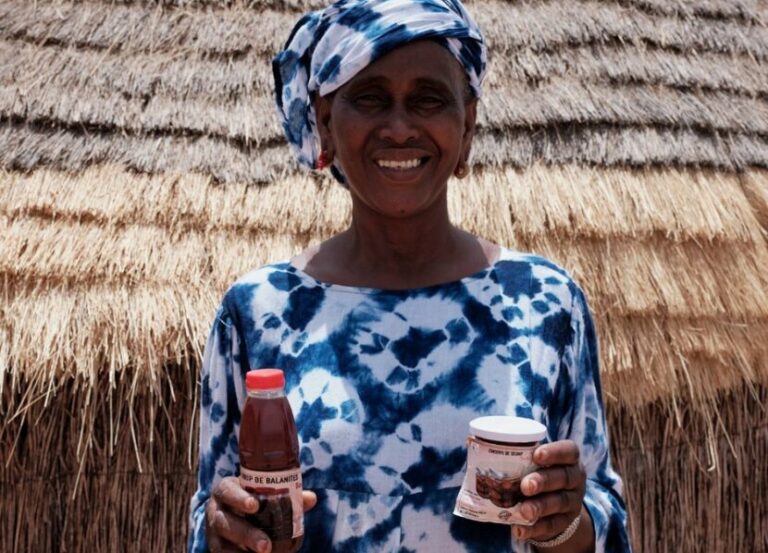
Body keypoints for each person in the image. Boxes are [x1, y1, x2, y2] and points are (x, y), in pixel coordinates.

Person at [188, 0, 631, 551]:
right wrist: (227, 529)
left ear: (466, 128)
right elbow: (211, 516)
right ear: (326, 124)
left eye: (428, 100)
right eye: (370, 99)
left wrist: (565, 520)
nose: (399, 128)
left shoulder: (544, 302)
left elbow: (605, 519)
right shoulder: (259, 311)